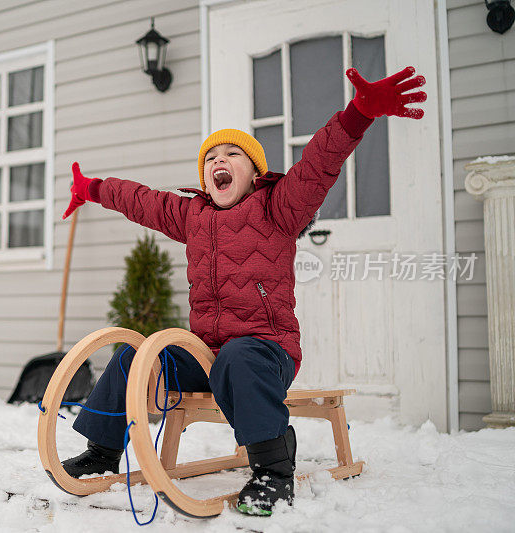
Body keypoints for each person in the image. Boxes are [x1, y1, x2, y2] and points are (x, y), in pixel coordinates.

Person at [59, 66, 426, 516]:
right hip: (206, 354)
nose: (219, 161)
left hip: (265, 353)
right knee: (131, 356)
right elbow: (140, 200)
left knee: (239, 357)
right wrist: (91, 189)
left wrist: (358, 114)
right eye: (211, 157)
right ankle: (101, 453)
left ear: (255, 172)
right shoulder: (191, 215)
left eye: (233, 154)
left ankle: (273, 471)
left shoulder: (278, 208)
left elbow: (317, 166)